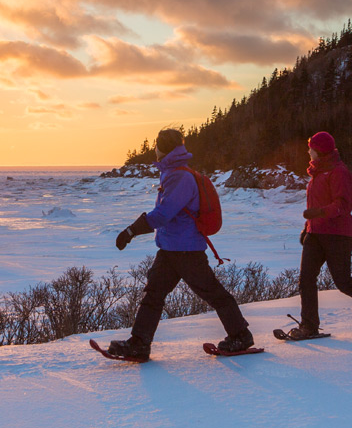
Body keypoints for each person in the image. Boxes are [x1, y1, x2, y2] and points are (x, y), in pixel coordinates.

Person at [108, 128, 253, 360]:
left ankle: (241, 335)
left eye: (156, 146)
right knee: (153, 294)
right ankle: (139, 343)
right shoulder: (173, 173)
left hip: (186, 250)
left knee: (213, 293)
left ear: (163, 148)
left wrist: (131, 230)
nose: (154, 149)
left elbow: (164, 213)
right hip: (170, 248)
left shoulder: (180, 177)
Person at [286, 132, 352, 338]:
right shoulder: (316, 172)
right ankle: (309, 326)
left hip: (337, 235)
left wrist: (319, 213)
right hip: (315, 234)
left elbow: (343, 204)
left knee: (343, 281)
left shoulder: (339, 172)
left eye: (311, 148)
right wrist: (307, 227)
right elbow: (314, 205)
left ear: (319, 150)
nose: (308, 151)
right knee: (306, 280)